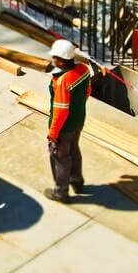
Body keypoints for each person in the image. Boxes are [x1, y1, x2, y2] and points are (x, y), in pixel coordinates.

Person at [44, 40, 92, 203]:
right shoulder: (83, 70)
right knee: (74, 149)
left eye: (54, 58)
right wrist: (77, 109)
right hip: (78, 121)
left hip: (64, 127)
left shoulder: (62, 80)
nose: (53, 60)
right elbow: (88, 91)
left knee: (60, 158)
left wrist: (53, 133)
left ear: (61, 60)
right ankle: (77, 182)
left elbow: (60, 110)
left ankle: (61, 193)